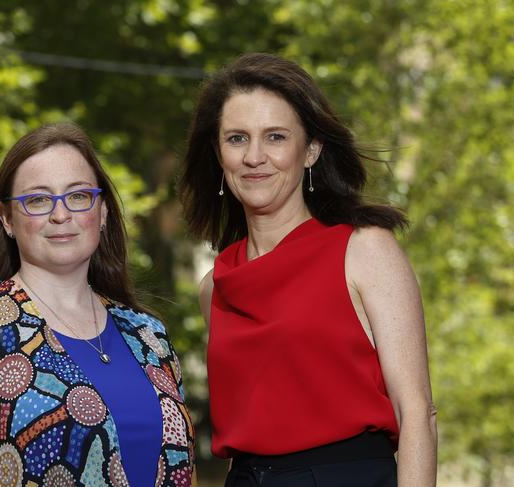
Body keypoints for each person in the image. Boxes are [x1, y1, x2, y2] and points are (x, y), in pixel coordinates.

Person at [179, 53, 437, 487]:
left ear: (311, 150)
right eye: (237, 138)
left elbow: (417, 414)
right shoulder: (215, 285)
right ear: (218, 154)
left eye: (276, 137)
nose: (255, 156)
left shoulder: (365, 250)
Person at [0, 122, 195, 486]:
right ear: (6, 218)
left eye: (77, 196)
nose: (61, 215)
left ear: (102, 211)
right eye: (38, 200)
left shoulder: (148, 336)